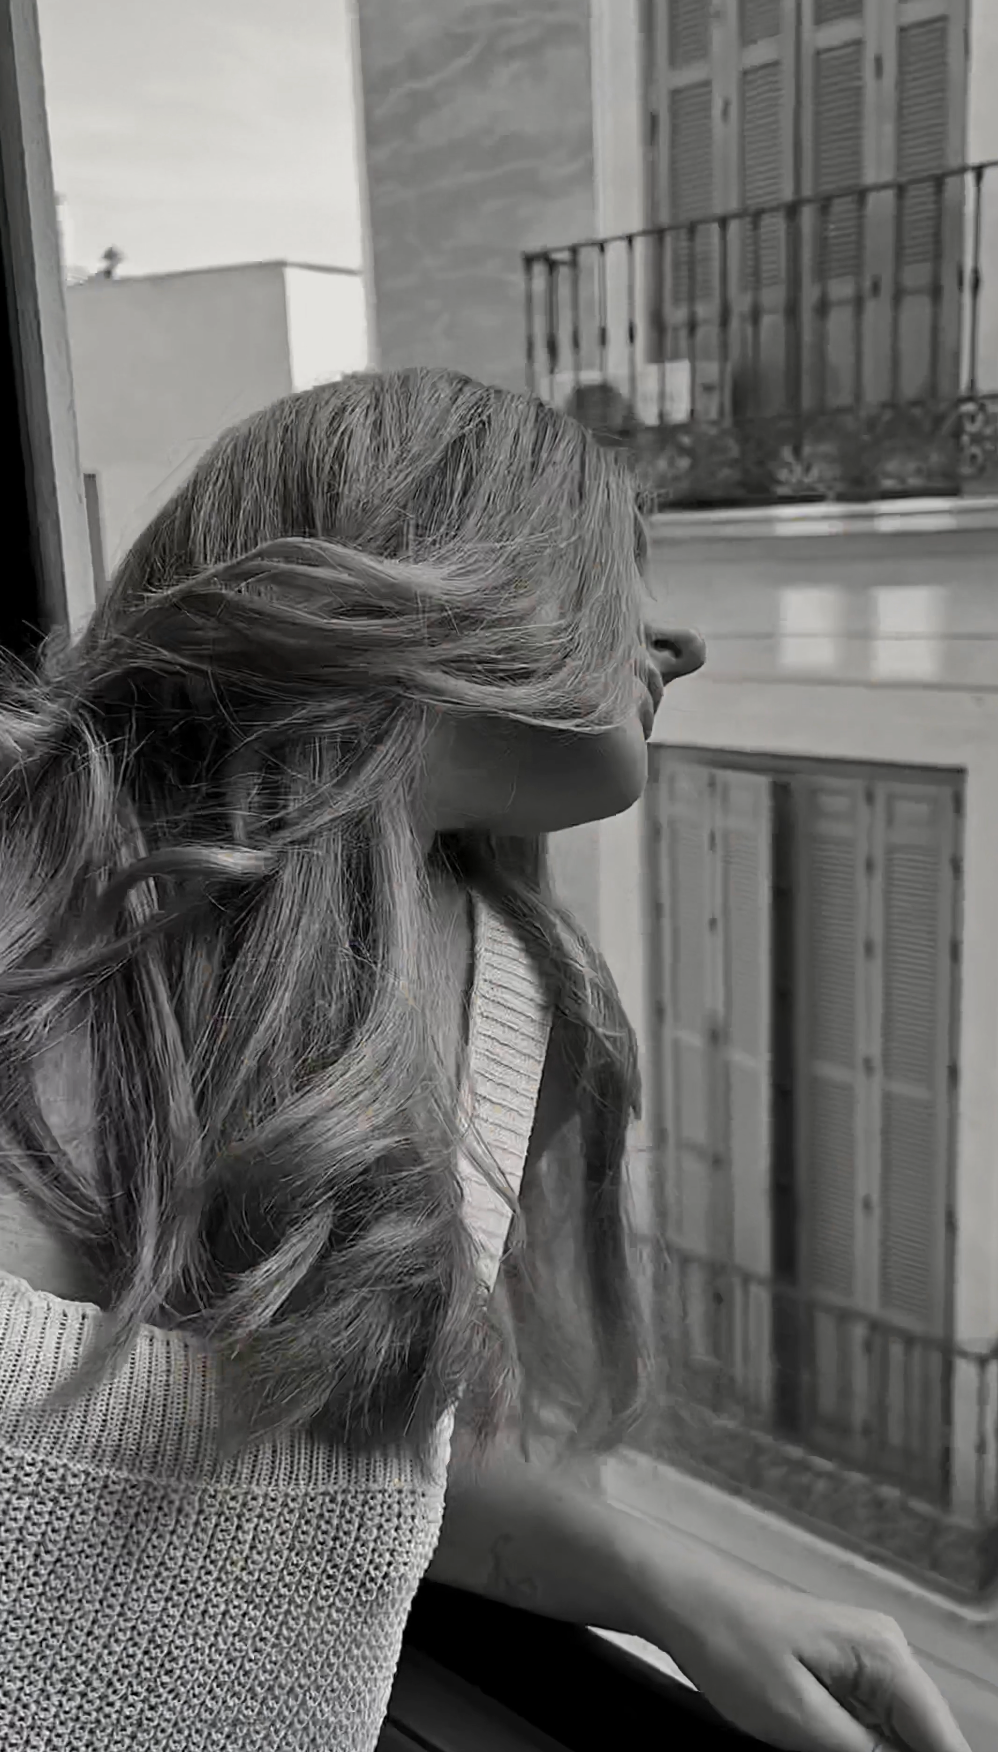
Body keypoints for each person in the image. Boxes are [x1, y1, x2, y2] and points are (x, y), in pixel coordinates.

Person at [0, 368, 969, 1752]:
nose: (680, 642)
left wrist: (671, 1588)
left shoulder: (510, 1011)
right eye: (612, 567)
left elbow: (348, 1462)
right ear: (445, 562)